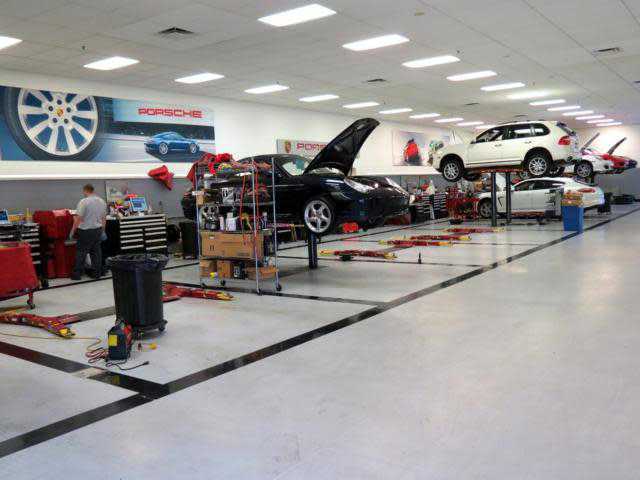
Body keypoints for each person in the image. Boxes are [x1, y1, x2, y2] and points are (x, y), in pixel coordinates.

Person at [70, 184, 107, 280]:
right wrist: (102, 231)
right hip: (98, 230)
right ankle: (96, 274)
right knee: (96, 253)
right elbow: (104, 218)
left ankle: (77, 274)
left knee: (81, 252)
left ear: (85, 191)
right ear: (93, 190)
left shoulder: (84, 201)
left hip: (85, 231)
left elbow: (78, 218)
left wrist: (72, 231)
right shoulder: (102, 201)